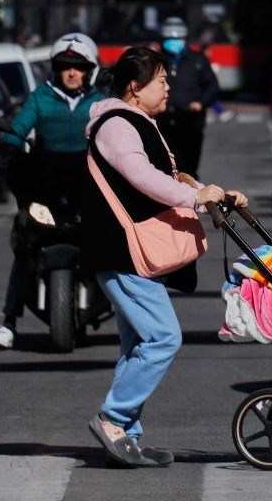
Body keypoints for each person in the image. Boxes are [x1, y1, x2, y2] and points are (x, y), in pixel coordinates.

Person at [82, 43, 247, 468]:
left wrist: (214, 195)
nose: (169, 86)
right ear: (135, 88)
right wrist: (194, 199)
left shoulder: (136, 120)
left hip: (132, 252)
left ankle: (126, 437)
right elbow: (143, 178)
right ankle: (113, 418)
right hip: (123, 252)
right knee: (163, 338)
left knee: (138, 343)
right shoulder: (117, 124)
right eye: (161, 80)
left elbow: (169, 177)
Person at [0, 32, 102, 349]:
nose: (71, 71)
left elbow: (121, 129)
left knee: (120, 240)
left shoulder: (101, 100)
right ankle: (8, 321)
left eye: (78, 66)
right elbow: (19, 127)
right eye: (64, 65)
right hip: (48, 186)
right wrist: (9, 146)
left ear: (89, 70)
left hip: (90, 186)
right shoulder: (40, 96)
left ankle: (133, 317)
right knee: (23, 241)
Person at [157, 17, 220, 178]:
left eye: (177, 39)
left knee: (190, 165)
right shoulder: (157, 60)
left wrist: (201, 102)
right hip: (163, 121)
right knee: (165, 165)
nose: (173, 42)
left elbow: (212, 86)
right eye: (169, 39)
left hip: (191, 121)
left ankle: (192, 196)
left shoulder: (198, 60)